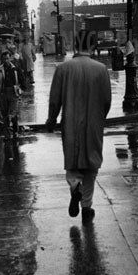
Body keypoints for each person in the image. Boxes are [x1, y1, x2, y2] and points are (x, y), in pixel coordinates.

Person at [46, 30, 111, 225]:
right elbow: (106, 101)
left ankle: (75, 187)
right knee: (91, 167)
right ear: (92, 46)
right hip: (93, 124)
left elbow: (54, 99)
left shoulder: (63, 68)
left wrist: (51, 119)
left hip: (71, 124)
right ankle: (87, 207)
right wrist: (100, 118)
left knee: (73, 165)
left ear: (75, 46)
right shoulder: (101, 69)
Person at [0, 50, 26, 140]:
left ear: (10, 58)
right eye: (4, 59)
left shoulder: (15, 69)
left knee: (12, 113)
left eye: (7, 58)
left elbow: (22, 80)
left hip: (13, 92)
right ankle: (7, 134)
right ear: (2, 60)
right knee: (5, 114)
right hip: (3, 93)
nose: (6, 61)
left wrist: (21, 90)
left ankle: (15, 131)